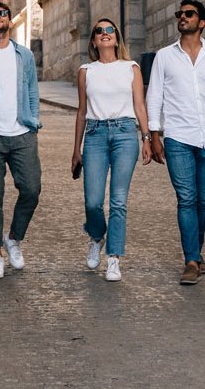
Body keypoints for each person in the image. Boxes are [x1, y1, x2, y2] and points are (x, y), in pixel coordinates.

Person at [147, 0, 205, 285]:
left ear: (202, 22)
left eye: (189, 14)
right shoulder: (164, 56)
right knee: (186, 198)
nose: (182, 17)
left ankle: (196, 252)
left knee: (203, 199)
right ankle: (190, 260)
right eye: (180, 14)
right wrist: (154, 134)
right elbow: (155, 96)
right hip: (177, 137)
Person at [72, 17, 149, 283]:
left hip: (125, 134)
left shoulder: (131, 67)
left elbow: (140, 106)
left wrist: (147, 137)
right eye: (99, 31)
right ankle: (96, 236)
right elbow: (81, 111)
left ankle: (114, 258)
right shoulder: (86, 71)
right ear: (93, 41)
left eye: (109, 30)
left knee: (118, 200)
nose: (105, 34)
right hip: (94, 135)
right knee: (92, 201)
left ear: (116, 38)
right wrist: (76, 149)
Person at [0, 1, 42, 280]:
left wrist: (33, 121)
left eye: (3, 13)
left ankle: (13, 237)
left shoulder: (24, 55)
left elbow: (32, 90)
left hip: (23, 133)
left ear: (10, 21)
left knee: (31, 190)